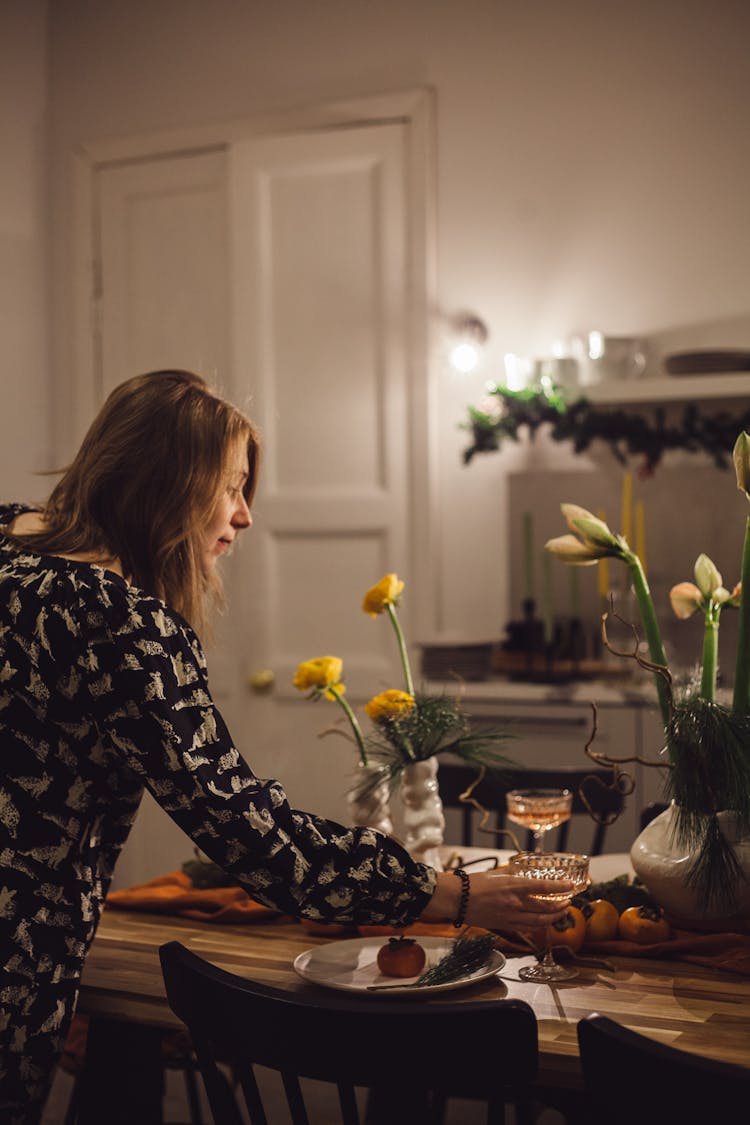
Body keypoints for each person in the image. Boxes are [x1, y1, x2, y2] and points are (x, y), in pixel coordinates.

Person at [0, 369, 572, 1123]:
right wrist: (452, 893)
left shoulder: (11, 539)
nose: (243, 515)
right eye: (231, 485)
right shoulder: (122, 623)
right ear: (170, 480)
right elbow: (256, 839)